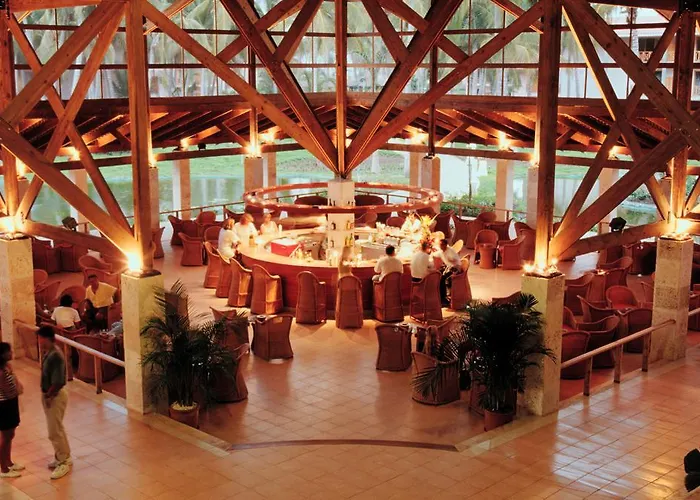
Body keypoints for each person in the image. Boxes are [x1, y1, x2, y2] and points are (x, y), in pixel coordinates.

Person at [37, 326, 71, 480]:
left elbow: (58, 381)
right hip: (50, 395)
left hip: (55, 396)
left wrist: (49, 396)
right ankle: (62, 455)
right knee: (57, 427)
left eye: (40, 338)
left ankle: (63, 461)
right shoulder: (49, 353)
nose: (39, 341)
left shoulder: (55, 355)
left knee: (54, 431)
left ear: (46, 338)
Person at [0, 343, 23, 479]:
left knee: (10, 435)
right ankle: (3, 468)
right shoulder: (1, 372)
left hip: (11, 402)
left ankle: (8, 462)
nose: (11, 352)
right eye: (9, 351)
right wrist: (17, 390)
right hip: (4, 405)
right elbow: (9, 390)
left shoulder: (7, 367)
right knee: (5, 436)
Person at [434, 239, 461, 305]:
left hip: (455, 268)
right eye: (440, 245)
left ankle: (444, 298)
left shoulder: (450, 251)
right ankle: (440, 295)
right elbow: (434, 255)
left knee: (442, 278)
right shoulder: (441, 251)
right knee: (438, 274)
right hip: (448, 267)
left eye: (442, 245)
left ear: (446, 245)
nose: (440, 246)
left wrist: (450, 259)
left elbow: (454, 260)